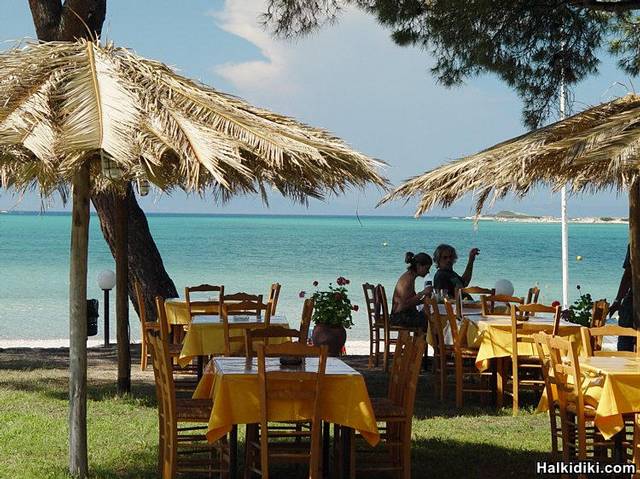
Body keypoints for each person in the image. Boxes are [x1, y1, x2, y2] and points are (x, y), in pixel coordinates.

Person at [390, 252, 433, 328]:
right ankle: (423, 340)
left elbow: (410, 301)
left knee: (430, 317)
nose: (428, 272)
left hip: (400, 315)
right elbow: (403, 306)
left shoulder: (410, 276)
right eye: (427, 268)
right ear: (419, 266)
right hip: (399, 317)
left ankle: (421, 339)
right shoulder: (407, 280)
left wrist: (423, 300)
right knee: (432, 321)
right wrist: (422, 293)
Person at [609, 245, 635, 351]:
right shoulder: (634, 243)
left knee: (625, 338)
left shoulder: (635, 243)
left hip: (632, 303)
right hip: (632, 302)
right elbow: (628, 274)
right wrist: (618, 300)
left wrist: (618, 300)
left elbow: (628, 274)